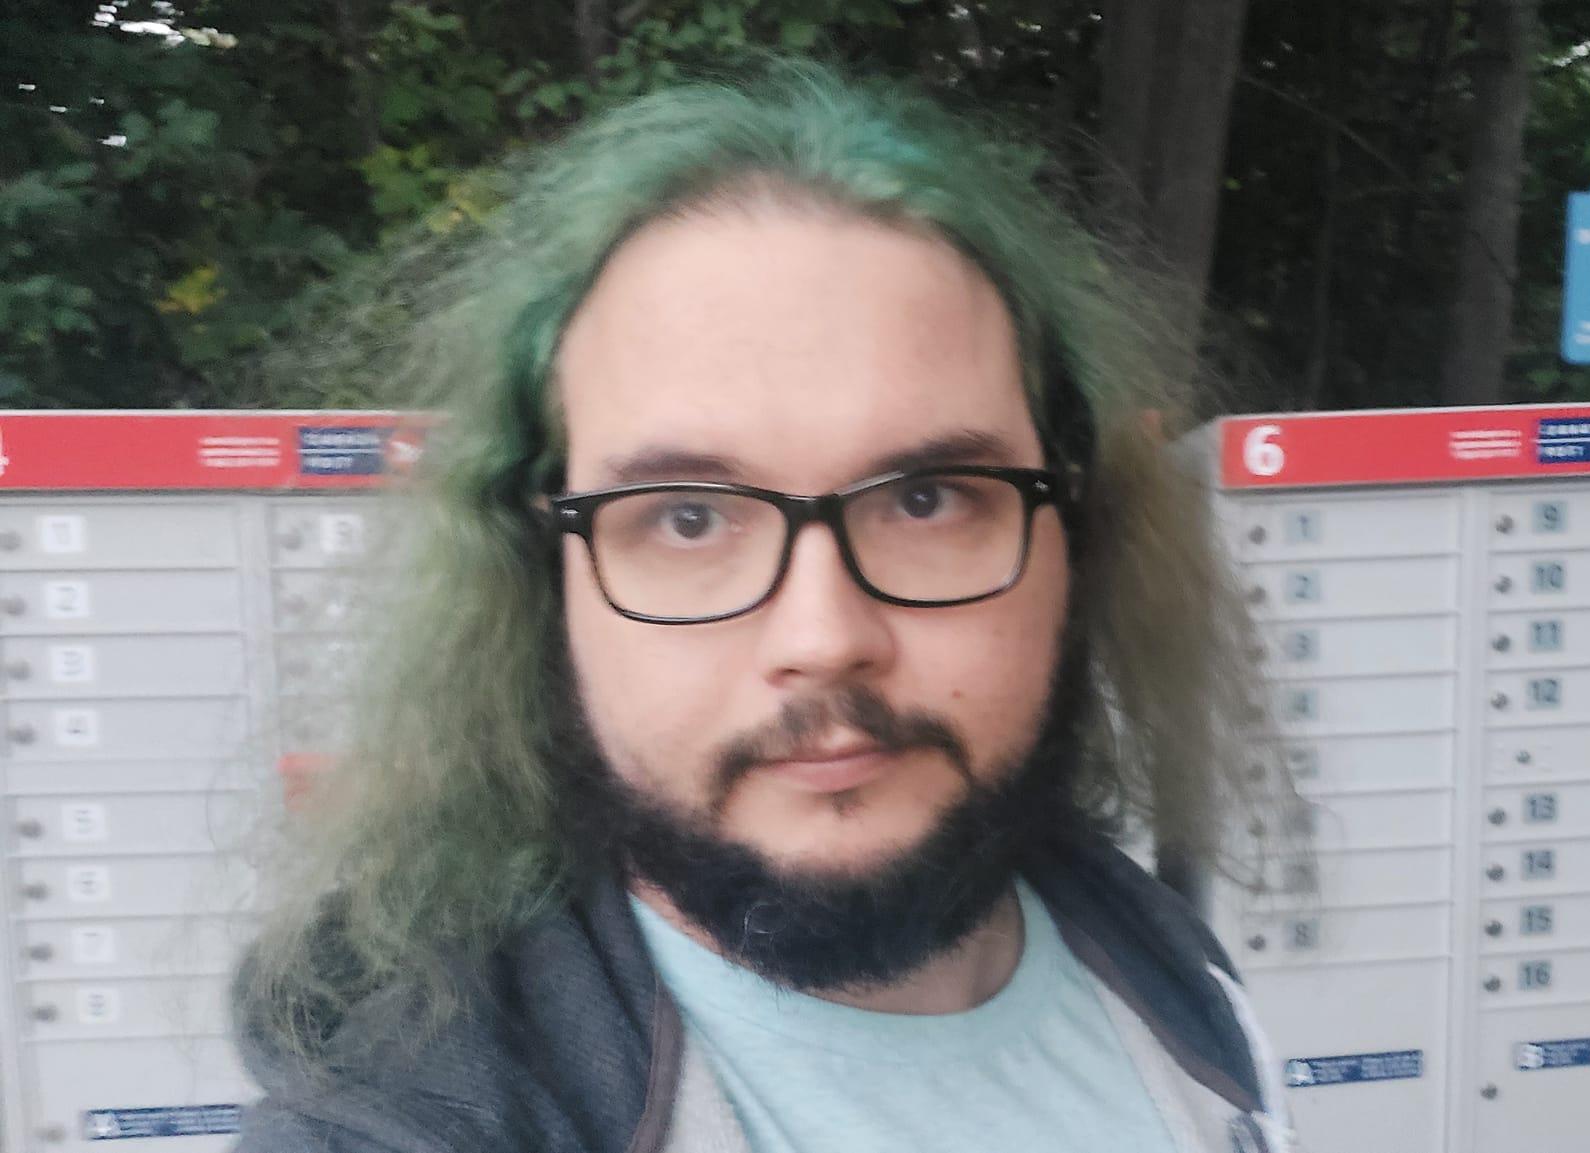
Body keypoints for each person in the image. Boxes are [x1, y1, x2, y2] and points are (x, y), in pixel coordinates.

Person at [234, 62, 1290, 1153]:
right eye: (686, 517)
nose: (823, 639)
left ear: (1078, 533)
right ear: (542, 583)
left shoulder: (1168, 975)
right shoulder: (397, 1125)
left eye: (925, 500)